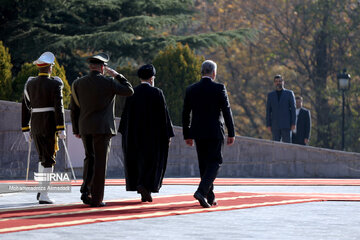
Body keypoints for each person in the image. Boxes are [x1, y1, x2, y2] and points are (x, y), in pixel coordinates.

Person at [70, 53, 134, 207]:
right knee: (99, 163)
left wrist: (76, 129)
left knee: (89, 159)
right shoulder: (109, 82)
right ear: (102, 67)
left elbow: (73, 108)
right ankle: (96, 199)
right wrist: (118, 75)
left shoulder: (78, 83)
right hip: (102, 129)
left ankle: (86, 191)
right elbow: (129, 90)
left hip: (85, 127)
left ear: (90, 66)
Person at [182, 60, 235, 208]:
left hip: (198, 132)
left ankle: (209, 197)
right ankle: (201, 191)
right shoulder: (219, 88)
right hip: (214, 131)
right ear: (214, 73)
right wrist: (231, 132)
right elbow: (227, 111)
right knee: (215, 162)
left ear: (202, 72)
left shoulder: (191, 89)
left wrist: (187, 134)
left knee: (204, 165)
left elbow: (185, 113)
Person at [119, 64, 174, 202]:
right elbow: (164, 116)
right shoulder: (157, 93)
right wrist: (168, 134)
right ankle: (146, 186)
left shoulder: (132, 93)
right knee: (153, 163)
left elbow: (125, 118)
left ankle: (141, 186)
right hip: (153, 137)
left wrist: (126, 136)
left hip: (135, 137)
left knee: (138, 162)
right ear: (151, 78)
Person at [21, 51, 66, 204]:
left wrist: (25, 129)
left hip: (35, 124)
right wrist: (61, 127)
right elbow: (59, 107)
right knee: (49, 160)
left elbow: (25, 107)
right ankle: (45, 195)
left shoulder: (29, 84)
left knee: (42, 158)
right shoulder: (55, 84)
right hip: (49, 124)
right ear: (50, 68)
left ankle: (41, 191)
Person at [266, 74, 296, 143]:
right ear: (274, 83)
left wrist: (293, 123)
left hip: (286, 124)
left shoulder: (289, 93)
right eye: (276, 81)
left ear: (283, 82)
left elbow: (293, 110)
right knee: (275, 145)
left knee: (287, 145)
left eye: (280, 81)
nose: (278, 83)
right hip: (275, 125)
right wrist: (268, 124)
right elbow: (268, 111)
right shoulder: (271, 95)